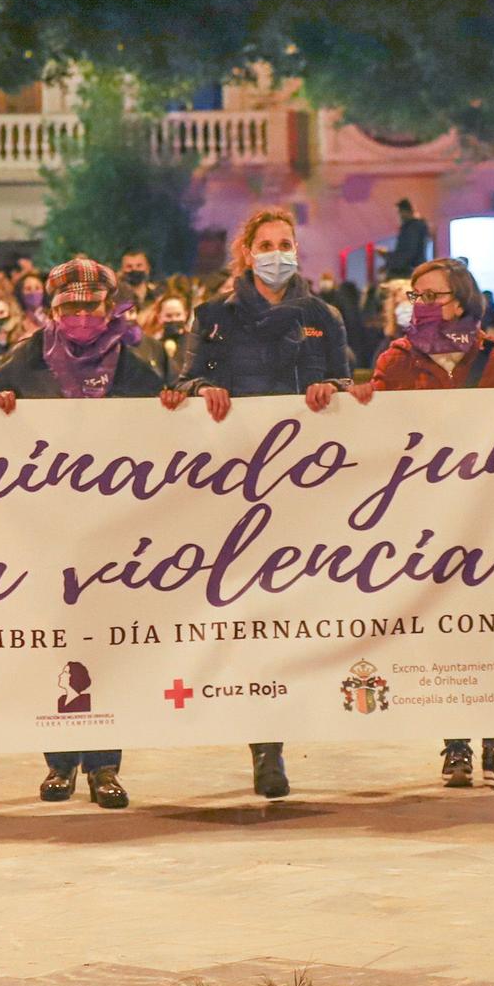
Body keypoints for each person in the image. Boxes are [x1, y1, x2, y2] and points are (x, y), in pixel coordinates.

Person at [161, 206, 350, 799]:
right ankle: (265, 746)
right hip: (234, 488)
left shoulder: (324, 316)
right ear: (246, 253)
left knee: (295, 616)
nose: (276, 252)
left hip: (303, 486)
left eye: (285, 242)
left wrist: (333, 391)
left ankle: (282, 730)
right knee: (247, 618)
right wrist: (202, 389)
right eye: (265, 243)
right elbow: (186, 381)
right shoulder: (213, 316)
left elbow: (346, 382)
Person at [0, 256, 163, 809]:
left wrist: (175, 405)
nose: (79, 315)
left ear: (110, 306)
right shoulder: (28, 356)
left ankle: (105, 767)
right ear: (51, 310)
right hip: (45, 530)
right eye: (68, 306)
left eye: (90, 305)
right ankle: (59, 764)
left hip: (115, 533)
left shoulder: (137, 359)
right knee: (56, 648)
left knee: (106, 648)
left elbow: (171, 424)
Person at [352, 257, 494, 789]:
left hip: (486, 519)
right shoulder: (399, 360)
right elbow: (380, 436)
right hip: (425, 522)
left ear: (463, 300)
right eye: (417, 295)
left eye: (434, 296)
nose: (422, 305)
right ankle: (455, 745)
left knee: (492, 630)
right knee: (445, 630)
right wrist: (365, 403)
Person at [135, 294, 192, 383]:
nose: (174, 319)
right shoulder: (152, 345)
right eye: (168, 316)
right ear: (159, 317)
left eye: (178, 315)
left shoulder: (195, 342)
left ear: (186, 315)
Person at [384, 197, 431, 278]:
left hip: (408, 271)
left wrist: (392, 264)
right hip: (415, 269)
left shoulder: (412, 227)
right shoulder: (418, 226)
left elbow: (408, 251)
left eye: (400, 212)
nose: (399, 215)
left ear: (405, 211)